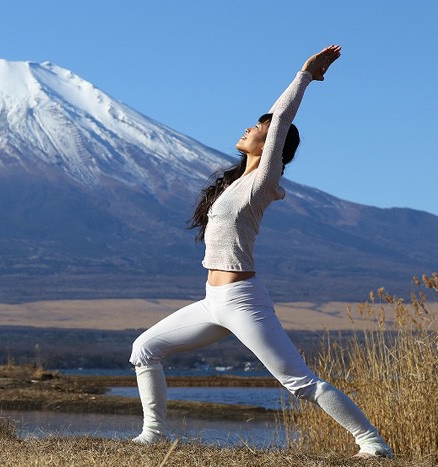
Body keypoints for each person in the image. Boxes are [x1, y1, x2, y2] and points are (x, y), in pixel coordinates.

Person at [129, 45, 393, 459]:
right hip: (212, 301)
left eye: (258, 126)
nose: (248, 128)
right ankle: (155, 434)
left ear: (271, 142)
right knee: (144, 348)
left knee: (298, 382)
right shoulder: (234, 183)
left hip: (242, 301)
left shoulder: (261, 183)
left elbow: (283, 118)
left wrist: (305, 74)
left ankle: (373, 444)